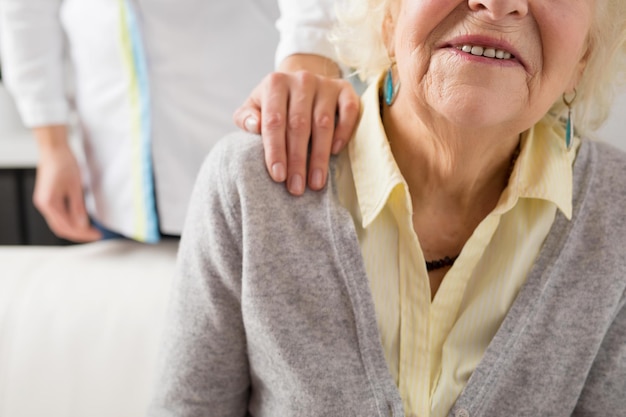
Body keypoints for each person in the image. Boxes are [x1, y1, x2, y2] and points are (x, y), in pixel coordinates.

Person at [150, 0, 626, 416]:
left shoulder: (616, 217)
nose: (498, 4)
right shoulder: (253, 186)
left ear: (584, 55)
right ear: (387, 15)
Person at [0, 0, 358, 242]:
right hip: (114, 179)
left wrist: (308, 67)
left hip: (257, 149)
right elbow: (25, 11)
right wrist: (52, 145)